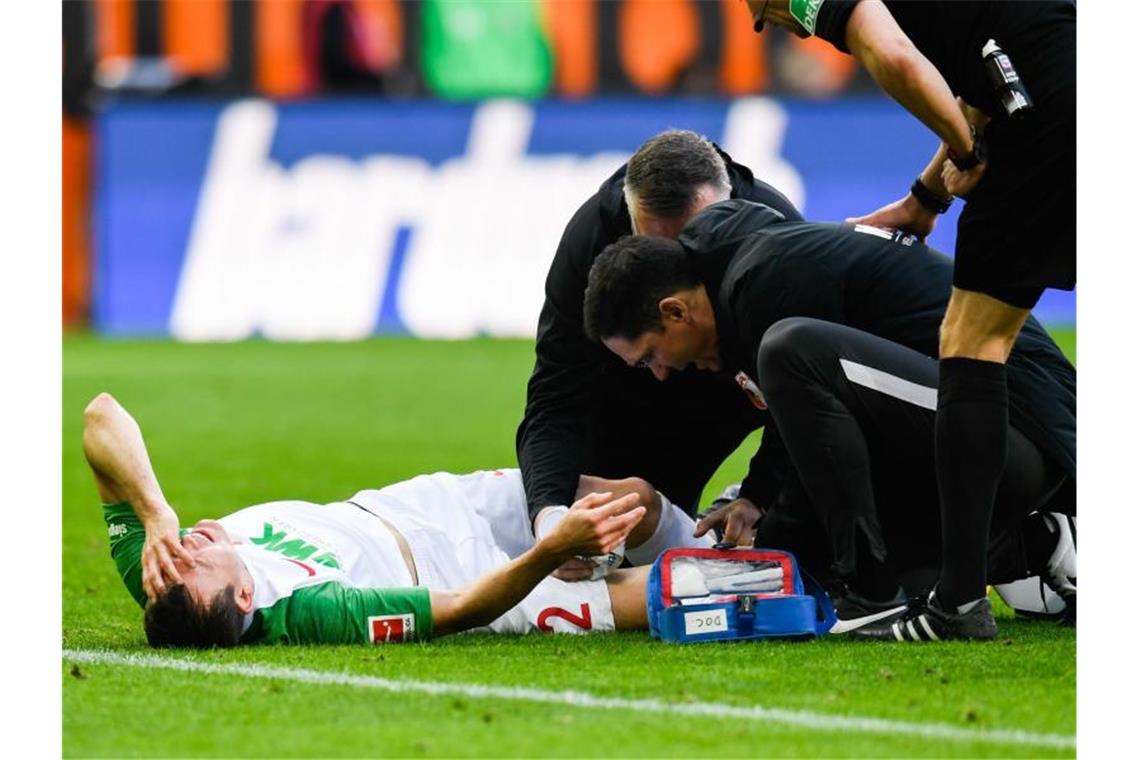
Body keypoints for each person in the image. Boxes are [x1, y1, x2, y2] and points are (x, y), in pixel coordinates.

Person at [583, 199, 1075, 638]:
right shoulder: (743, 267)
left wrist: (774, 538)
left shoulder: (763, 278)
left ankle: (873, 597)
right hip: (992, 443)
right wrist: (757, 497)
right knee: (831, 564)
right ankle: (1033, 545)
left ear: (674, 312)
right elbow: (806, 427)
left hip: (1018, 435)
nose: (662, 374)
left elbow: (803, 398)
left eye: (650, 356)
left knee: (789, 351)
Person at [743, 1, 1075, 638]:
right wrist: (927, 198)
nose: (780, 26)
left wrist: (964, 149)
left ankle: (957, 602)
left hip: (1048, 117)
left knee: (970, 343)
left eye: (766, 14)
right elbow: (990, 71)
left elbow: (892, 56)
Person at [83, 392, 715, 648]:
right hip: (461, 574)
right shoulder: (308, 612)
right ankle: (771, 579)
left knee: (632, 498)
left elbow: (100, 416)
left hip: (414, 505)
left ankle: (720, 536)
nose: (183, 552)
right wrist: (552, 552)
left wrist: (154, 510)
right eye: (196, 568)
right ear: (245, 595)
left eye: (175, 562)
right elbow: (462, 607)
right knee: (649, 597)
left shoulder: (158, 572)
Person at [517, 129, 803, 573]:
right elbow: (555, 398)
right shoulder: (591, 241)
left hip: (735, 387)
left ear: (728, 207)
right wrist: (551, 518)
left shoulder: (773, 231)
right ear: (629, 220)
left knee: (795, 529)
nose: (677, 269)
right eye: (659, 248)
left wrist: (759, 493)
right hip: (629, 390)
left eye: (699, 243)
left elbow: (804, 395)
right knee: (615, 537)